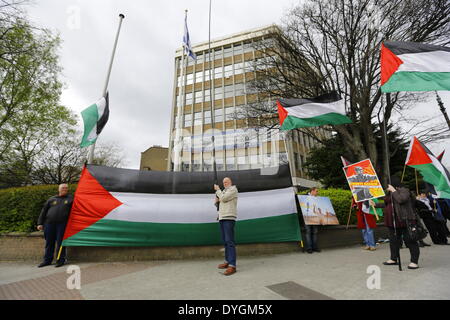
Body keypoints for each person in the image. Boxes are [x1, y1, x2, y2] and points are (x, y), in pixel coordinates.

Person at [370, 176, 420, 270]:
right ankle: (393, 258)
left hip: (405, 220)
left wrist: (393, 191)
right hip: (392, 222)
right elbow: (388, 204)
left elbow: (401, 200)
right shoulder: (390, 193)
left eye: (389, 185)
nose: (387, 187)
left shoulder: (404, 190)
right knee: (393, 241)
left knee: (410, 240)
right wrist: (375, 204)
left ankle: (414, 261)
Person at [36, 184, 73, 268]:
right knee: (49, 242)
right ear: (59, 189)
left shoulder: (71, 199)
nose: (65, 189)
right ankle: (47, 260)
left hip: (62, 225)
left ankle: (60, 260)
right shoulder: (51, 199)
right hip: (49, 224)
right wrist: (40, 223)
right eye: (63, 188)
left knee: (61, 243)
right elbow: (43, 211)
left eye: (66, 188)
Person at [214, 177, 238, 276]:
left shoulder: (233, 189)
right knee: (225, 241)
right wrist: (216, 202)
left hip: (229, 217)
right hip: (222, 217)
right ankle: (227, 261)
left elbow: (224, 198)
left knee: (229, 241)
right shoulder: (223, 191)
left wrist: (218, 190)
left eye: (226, 181)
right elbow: (221, 202)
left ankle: (232, 265)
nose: (225, 183)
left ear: (231, 182)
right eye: (223, 182)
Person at [304, 187, 321, 254]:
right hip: (307, 217)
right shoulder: (304, 197)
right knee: (308, 232)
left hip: (315, 217)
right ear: (312, 191)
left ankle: (314, 247)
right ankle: (309, 248)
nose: (317, 193)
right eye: (316, 191)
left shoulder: (317, 198)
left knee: (315, 232)